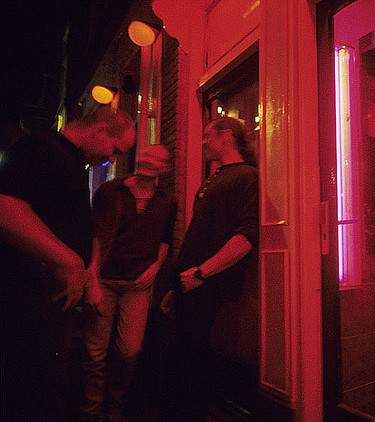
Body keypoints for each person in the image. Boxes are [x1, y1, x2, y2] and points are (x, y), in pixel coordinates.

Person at [0, 106, 135, 421]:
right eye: (116, 149)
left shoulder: (72, 162)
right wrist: (69, 260)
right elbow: (5, 206)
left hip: (47, 300)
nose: (113, 159)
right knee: (28, 388)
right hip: (26, 299)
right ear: (101, 130)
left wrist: (89, 274)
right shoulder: (41, 148)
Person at [162, 116, 258, 421]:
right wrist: (176, 285)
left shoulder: (247, 176)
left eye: (208, 136)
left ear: (226, 136)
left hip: (204, 282)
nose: (203, 142)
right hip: (187, 280)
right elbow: (198, 232)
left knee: (193, 354)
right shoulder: (215, 176)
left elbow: (246, 237)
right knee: (183, 351)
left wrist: (201, 272)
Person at [80, 144, 176, 422]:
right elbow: (96, 236)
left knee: (129, 351)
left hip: (137, 285)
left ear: (165, 168)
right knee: (95, 351)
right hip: (106, 279)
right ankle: (91, 410)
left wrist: (155, 267)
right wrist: (92, 278)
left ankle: (115, 407)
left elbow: (165, 239)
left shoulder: (167, 201)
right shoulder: (111, 192)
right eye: (145, 154)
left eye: (155, 157)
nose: (146, 159)